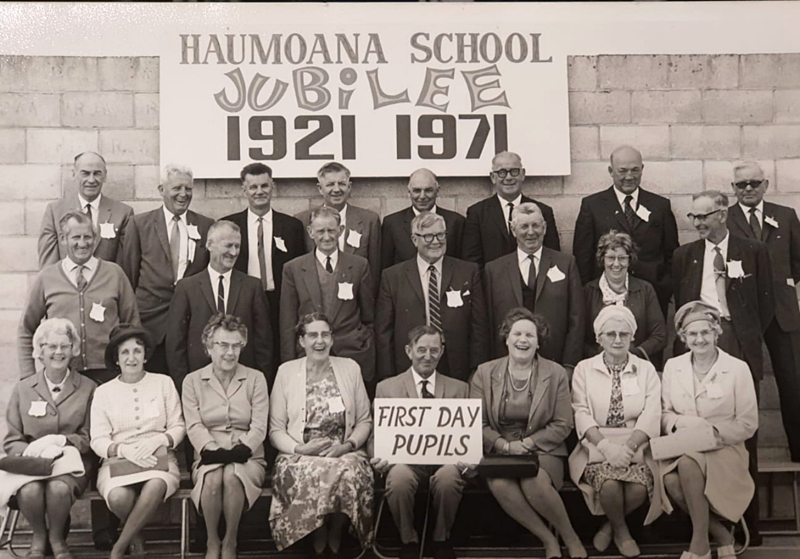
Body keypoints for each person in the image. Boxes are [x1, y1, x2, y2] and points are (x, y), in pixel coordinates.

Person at [672, 189, 774, 543]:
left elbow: (766, 303)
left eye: (703, 216)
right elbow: (680, 298)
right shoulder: (684, 255)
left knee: (744, 436)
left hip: (736, 341)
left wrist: (740, 335)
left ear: (722, 214)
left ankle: (749, 527)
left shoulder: (753, 251)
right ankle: (706, 525)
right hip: (698, 338)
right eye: (693, 217)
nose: (697, 223)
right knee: (696, 433)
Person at [470, 308, 587, 559]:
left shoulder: (555, 373)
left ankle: (569, 536)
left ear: (538, 341)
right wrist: (504, 445)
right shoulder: (484, 372)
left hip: (544, 448)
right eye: (517, 334)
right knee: (500, 482)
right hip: (500, 450)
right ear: (507, 338)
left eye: (530, 335)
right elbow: (476, 423)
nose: (523, 340)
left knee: (533, 478)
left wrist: (530, 442)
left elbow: (563, 423)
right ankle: (547, 539)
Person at [269, 313, 374, 555]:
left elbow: (364, 421)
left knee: (348, 470)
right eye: (313, 335)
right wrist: (300, 449)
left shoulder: (350, 368)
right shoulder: (286, 372)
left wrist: (347, 446)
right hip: (299, 453)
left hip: (344, 450)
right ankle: (317, 535)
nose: (320, 341)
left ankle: (335, 534)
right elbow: (275, 429)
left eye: (325, 335)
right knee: (311, 470)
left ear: (332, 339)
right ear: (301, 341)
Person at [659, 301, 758, 559]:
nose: (699, 339)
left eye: (705, 332)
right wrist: (682, 424)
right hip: (684, 446)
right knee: (670, 480)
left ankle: (699, 543)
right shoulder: (673, 366)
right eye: (692, 334)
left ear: (716, 332)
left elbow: (748, 423)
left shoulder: (737, 369)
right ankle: (721, 535)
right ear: (683, 337)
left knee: (687, 465)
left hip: (725, 450)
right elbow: (665, 413)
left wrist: (712, 432)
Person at [370, 326, 472, 559]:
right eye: (422, 349)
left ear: (442, 352)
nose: (428, 356)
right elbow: (377, 434)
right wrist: (378, 455)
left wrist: (469, 458)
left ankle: (440, 538)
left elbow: (468, 434)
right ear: (409, 351)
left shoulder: (459, 389)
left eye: (434, 350)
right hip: (405, 462)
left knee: (448, 479)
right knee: (398, 480)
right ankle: (409, 540)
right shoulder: (387, 388)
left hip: (445, 461)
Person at [569, 305, 662, 558]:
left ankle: (609, 526)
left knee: (639, 488)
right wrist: (607, 448)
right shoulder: (584, 369)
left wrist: (629, 448)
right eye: (610, 334)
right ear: (599, 338)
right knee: (609, 484)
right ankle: (622, 533)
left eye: (624, 334)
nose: (618, 340)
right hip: (596, 445)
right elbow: (581, 411)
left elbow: (652, 413)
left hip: (637, 444)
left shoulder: (646, 369)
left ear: (633, 337)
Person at [90, 324, 186, 559]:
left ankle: (119, 548)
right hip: (118, 461)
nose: (131, 358)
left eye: (137, 351)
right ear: (116, 358)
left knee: (156, 484)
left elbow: (179, 425)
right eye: (125, 352)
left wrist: (159, 440)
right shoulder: (104, 392)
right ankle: (136, 538)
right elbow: (97, 439)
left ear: (145, 356)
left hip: (158, 458)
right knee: (118, 497)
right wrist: (120, 449)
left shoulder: (163, 383)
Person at [4, 318, 96, 559]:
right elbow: (12, 439)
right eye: (51, 346)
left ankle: (57, 539)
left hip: (71, 463)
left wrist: (61, 442)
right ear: (39, 351)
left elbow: (89, 438)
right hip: (31, 463)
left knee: (57, 488)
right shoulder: (23, 389)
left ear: (73, 349)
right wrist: (32, 451)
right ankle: (39, 537)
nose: (58, 352)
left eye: (65, 346)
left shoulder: (88, 388)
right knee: (29, 491)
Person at [726, 161, 800, 462]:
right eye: (741, 184)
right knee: (744, 385)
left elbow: (797, 260)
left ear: (765, 185)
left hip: (782, 313)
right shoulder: (725, 217)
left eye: (754, 183)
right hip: (744, 313)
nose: (748, 189)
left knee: (793, 382)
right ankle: (745, 456)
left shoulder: (785, 216)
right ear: (733, 188)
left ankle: (799, 451)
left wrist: (782, 285)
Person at [182, 314, 269, 559]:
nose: (230, 353)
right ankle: (212, 540)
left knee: (232, 476)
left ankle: (230, 540)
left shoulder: (255, 379)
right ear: (209, 348)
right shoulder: (192, 381)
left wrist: (243, 449)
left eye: (236, 345)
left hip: (248, 456)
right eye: (222, 345)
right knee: (212, 478)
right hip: (208, 454)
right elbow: (194, 424)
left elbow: (259, 425)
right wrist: (210, 449)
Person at [19, 210, 140, 383]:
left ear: (96, 239)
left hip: (108, 375)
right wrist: (28, 376)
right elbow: (26, 328)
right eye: (76, 237)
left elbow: (132, 325)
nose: (82, 244)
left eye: (88, 237)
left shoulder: (114, 274)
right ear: (63, 239)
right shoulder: (47, 277)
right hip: (63, 375)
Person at [119, 163, 215, 375]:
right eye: (177, 188)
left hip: (191, 324)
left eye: (188, 189)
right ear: (162, 190)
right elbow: (129, 275)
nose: (183, 194)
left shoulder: (206, 226)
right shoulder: (139, 225)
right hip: (152, 324)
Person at [376, 212, 489, 381]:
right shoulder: (393, 276)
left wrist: (476, 370)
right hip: (409, 365)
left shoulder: (467, 272)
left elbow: (478, 326)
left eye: (440, 235)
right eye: (428, 236)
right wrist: (388, 375)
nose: (436, 242)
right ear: (415, 240)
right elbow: (384, 331)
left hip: (456, 365)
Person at [572, 145, 679, 318]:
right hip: (605, 297)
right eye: (622, 171)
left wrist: (665, 286)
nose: (629, 177)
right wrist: (588, 294)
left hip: (652, 295)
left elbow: (672, 252)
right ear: (611, 170)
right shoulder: (592, 206)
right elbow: (583, 256)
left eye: (635, 170)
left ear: (642, 169)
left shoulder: (660, 206)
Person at [166, 220, 272, 389]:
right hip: (199, 384)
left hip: (243, 384)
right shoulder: (187, 287)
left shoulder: (252, 287)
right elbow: (175, 344)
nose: (234, 252)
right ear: (209, 244)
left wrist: (260, 386)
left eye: (237, 246)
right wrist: (183, 387)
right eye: (228, 245)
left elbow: (263, 343)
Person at [222, 162, 306, 374]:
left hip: (278, 301)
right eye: (253, 187)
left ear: (272, 187)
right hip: (243, 300)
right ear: (244, 190)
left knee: (278, 357)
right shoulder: (230, 225)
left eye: (264, 186)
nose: (259, 192)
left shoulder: (291, 227)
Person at [281, 206, 375, 384]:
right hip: (310, 355)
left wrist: (364, 345)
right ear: (310, 232)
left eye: (331, 230)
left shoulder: (358, 265)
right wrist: (290, 364)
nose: (326, 236)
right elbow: (287, 323)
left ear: (340, 231)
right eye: (320, 231)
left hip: (351, 352)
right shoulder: (293, 269)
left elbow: (368, 316)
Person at [484, 202, 584, 370]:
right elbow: (487, 322)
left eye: (535, 225)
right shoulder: (494, 270)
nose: (531, 232)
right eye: (524, 226)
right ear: (513, 230)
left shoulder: (566, 263)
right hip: (507, 364)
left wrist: (569, 365)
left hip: (555, 363)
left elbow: (577, 317)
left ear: (544, 228)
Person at [462, 151, 559, 268]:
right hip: (492, 284)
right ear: (493, 177)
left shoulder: (543, 211)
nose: (508, 178)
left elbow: (552, 256)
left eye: (514, 171)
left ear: (523, 174)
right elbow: (472, 261)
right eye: (502, 173)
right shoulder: (477, 213)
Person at [582, 230, 666, 365]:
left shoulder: (645, 289)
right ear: (602, 259)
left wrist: (632, 355)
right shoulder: (588, 292)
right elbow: (580, 337)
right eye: (611, 258)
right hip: (598, 365)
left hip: (637, 364)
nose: (616, 264)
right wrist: (604, 356)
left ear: (629, 260)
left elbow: (659, 335)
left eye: (622, 258)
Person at [296, 162, 381, 293]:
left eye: (341, 184)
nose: (336, 189)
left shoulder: (369, 220)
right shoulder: (302, 220)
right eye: (330, 184)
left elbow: (374, 270)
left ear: (349, 186)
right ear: (320, 188)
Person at [38, 151, 134, 268]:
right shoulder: (55, 211)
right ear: (74, 174)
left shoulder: (123, 213)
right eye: (85, 173)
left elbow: (124, 265)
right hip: (66, 284)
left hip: (105, 284)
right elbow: (48, 265)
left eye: (97, 173)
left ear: (105, 175)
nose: (91, 180)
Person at [381, 168, 465, 269]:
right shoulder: (392, 223)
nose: (422, 196)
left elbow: (463, 267)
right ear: (409, 192)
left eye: (428, 190)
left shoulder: (456, 222)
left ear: (437, 190)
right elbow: (385, 267)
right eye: (417, 191)